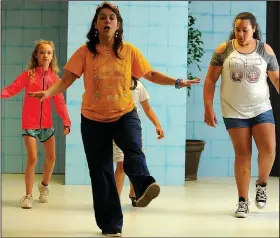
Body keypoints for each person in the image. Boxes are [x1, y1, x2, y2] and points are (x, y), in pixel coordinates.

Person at [28, 2, 200, 236]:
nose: (107, 21)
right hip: (93, 119)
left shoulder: (128, 50)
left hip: (124, 114)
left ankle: (143, 185)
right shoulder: (85, 52)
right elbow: (67, 79)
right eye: (102, 18)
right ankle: (111, 226)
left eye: (111, 18)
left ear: (118, 25)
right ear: (96, 25)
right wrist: (48, 93)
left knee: (133, 148)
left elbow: (149, 74)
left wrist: (178, 82)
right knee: (101, 173)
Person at [203, 12, 279, 218]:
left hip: (261, 108)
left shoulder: (265, 50)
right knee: (243, 154)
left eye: (245, 30)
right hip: (234, 110)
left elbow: (277, 79)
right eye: (238, 29)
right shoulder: (224, 49)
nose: (241, 34)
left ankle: (262, 184)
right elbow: (210, 80)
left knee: (269, 149)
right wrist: (208, 107)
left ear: (254, 29)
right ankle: (243, 201)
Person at [1, 39, 71, 209]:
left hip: (47, 125)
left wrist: (66, 120)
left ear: (52, 56)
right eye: (42, 52)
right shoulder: (29, 75)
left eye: (49, 52)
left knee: (51, 158)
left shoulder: (55, 79)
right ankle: (27, 196)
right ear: (36, 55)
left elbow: (60, 102)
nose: (45, 55)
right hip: (30, 124)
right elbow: (12, 88)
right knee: (32, 158)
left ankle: (44, 186)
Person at [113, 76, 164, 207]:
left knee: (135, 161)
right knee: (121, 165)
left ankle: (135, 194)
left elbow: (147, 109)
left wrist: (157, 125)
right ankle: (114, 200)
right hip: (117, 129)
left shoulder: (138, 86)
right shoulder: (113, 83)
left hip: (134, 131)